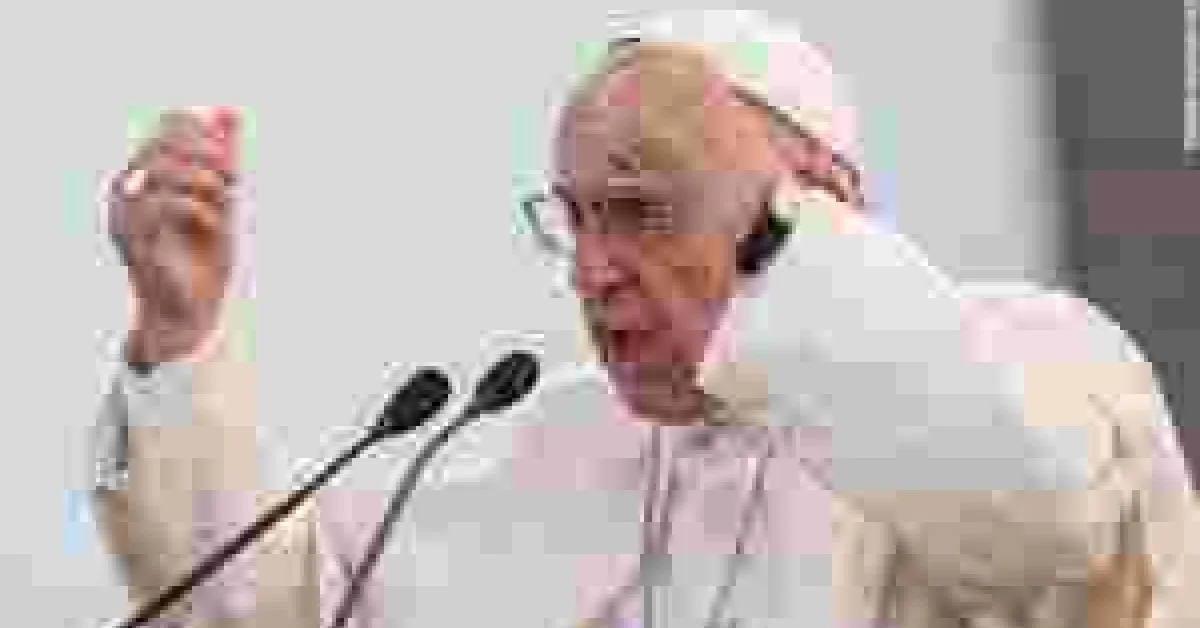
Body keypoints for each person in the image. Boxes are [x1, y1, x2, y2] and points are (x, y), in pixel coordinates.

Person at [90, 10, 1198, 627]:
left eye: (642, 210)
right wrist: (179, 335)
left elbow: (1041, 525)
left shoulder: (1031, 356)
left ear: (817, 204)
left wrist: (785, 260)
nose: (592, 270)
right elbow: (266, 610)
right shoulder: (528, 447)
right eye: (575, 217)